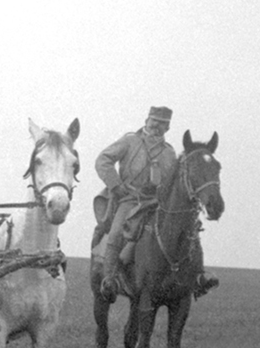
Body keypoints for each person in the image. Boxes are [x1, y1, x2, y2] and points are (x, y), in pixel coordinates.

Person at [91, 106, 218, 298]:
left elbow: (175, 181)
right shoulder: (130, 141)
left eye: (163, 123)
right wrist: (116, 185)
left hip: (158, 204)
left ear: (168, 128)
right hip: (131, 200)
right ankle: (109, 279)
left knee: (191, 232)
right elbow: (103, 160)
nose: (157, 126)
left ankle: (198, 276)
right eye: (154, 121)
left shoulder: (169, 152)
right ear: (147, 120)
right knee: (117, 232)